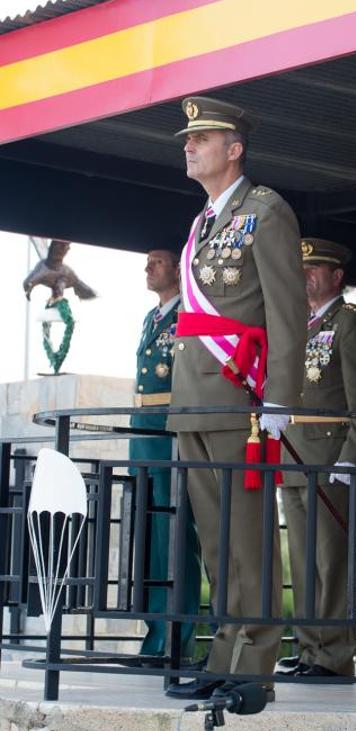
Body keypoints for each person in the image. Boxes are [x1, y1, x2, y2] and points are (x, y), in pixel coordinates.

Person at [165, 96, 306, 701]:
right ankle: (224, 654)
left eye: (202, 138)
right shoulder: (202, 222)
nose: (189, 147)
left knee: (248, 537)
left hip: (239, 399)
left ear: (235, 148)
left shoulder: (266, 211)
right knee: (217, 541)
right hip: (194, 396)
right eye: (187, 140)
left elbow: (287, 311)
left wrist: (280, 398)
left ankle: (256, 665)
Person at [279, 238, 356, 677]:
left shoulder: (350, 322)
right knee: (301, 560)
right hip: (296, 456)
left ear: (337, 277)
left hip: (330, 457)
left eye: (314, 269)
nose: (305, 277)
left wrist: (350, 456)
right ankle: (308, 648)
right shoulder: (299, 323)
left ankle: (335, 654)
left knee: (330, 560)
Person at [129, 249, 200, 660]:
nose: (148, 268)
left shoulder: (187, 315)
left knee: (174, 540)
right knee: (150, 541)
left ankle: (176, 636)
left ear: (177, 268)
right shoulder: (151, 318)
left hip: (171, 434)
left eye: (157, 262)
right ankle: (154, 632)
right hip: (145, 435)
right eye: (147, 262)